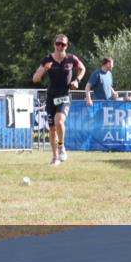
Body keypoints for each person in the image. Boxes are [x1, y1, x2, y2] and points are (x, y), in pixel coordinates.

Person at [32, 34, 85, 166]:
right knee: (51, 129)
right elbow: (35, 79)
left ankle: (61, 147)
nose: (60, 46)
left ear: (67, 46)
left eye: (63, 44)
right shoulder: (47, 59)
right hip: (51, 97)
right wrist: (45, 69)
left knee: (59, 121)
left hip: (65, 95)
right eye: (58, 44)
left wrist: (77, 80)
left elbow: (82, 69)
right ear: (54, 44)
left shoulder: (71, 59)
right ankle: (55, 157)